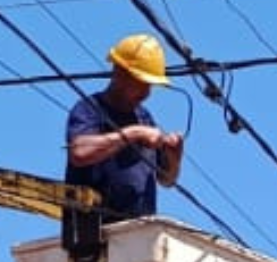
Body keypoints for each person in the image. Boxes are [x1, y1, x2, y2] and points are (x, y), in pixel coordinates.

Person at [63, 33, 185, 248]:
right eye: (141, 82)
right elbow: (79, 153)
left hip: (137, 237)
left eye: (150, 85)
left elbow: (166, 180)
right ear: (120, 73)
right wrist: (134, 134)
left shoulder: (144, 118)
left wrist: (174, 158)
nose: (147, 92)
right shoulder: (90, 109)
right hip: (92, 237)